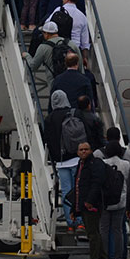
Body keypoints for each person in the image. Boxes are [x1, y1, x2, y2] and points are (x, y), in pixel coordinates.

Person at [44, 90, 84, 231]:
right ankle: (79, 220)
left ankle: (70, 222)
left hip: (60, 162)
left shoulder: (48, 119)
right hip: (74, 157)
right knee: (78, 190)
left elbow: (46, 140)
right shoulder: (73, 113)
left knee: (67, 192)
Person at [74, 141, 109, 259]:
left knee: (92, 234)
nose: (83, 151)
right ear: (77, 152)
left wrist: (90, 200)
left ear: (91, 151)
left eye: (86, 149)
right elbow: (77, 186)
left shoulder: (95, 164)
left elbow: (96, 183)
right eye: (81, 150)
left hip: (92, 205)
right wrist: (75, 208)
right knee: (94, 233)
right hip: (83, 204)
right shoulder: (80, 164)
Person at [23, 21, 80, 100]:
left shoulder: (43, 47)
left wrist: (27, 56)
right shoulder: (71, 44)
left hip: (55, 85)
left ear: (46, 34)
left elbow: (33, 66)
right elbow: (80, 66)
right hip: (74, 84)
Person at [96, 140, 130, 259]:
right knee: (118, 231)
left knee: (104, 230)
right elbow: (127, 180)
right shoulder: (126, 164)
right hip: (121, 199)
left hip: (105, 200)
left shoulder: (103, 164)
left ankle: (105, 258)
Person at [46, 0, 91, 67]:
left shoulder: (58, 10)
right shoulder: (82, 16)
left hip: (58, 49)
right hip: (75, 50)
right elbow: (85, 42)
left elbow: (47, 24)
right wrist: (85, 57)